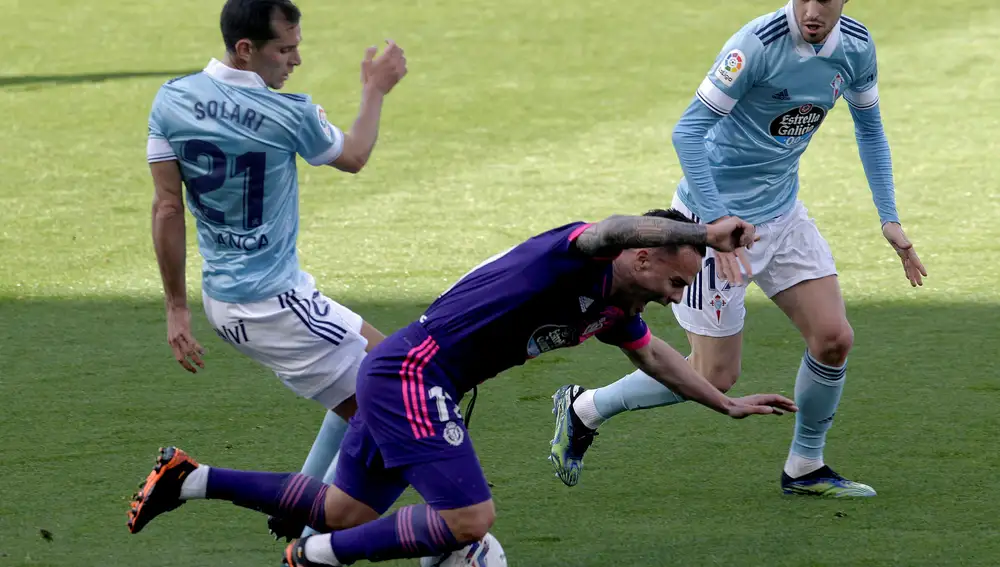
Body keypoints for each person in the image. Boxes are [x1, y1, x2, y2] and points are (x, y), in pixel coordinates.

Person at [126, 210, 797, 566]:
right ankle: (314, 556)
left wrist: (727, 402)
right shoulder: (573, 253)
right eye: (676, 280)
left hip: (406, 375)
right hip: (415, 373)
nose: (678, 294)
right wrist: (702, 231)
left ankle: (187, 477)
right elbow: (616, 227)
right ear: (645, 256)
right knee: (470, 521)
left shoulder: (616, 306)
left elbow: (658, 360)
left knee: (343, 508)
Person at [549, 0, 926, 497]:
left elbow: (869, 127)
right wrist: (714, 223)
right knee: (715, 375)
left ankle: (804, 467)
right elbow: (687, 132)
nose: (813, 10)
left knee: (833, 339)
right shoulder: (757, 45)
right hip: (710, 224)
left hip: (783, 215)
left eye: (827, 0)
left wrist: (889, 217)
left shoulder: (855, 46)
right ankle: (584, 408)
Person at [146, 0, 406, 538]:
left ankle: (297, 510)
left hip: (226, 298)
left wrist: (176, 308)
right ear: (247, 50)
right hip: (273, 304)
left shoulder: (171, 99)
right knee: (399, 390)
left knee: (370, 380)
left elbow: (167, 207)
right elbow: (354, 155)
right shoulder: (288, 115)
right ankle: (312, 539)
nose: (296, 61)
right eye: (285, 49)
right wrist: (375, 90)